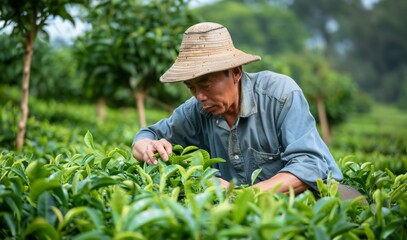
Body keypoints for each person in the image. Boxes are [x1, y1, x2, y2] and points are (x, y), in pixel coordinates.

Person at [132, 22, 344, 195]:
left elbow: (309, 165)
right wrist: (149, 147)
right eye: (192, 88)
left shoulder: (280, 94)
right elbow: (145, 136)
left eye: (205, 84)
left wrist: (244, 196)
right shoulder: (197, 111)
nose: (200, 96)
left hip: (325, 199)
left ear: (235, 72)